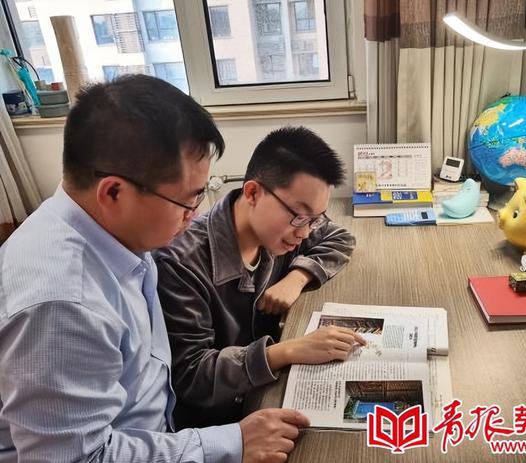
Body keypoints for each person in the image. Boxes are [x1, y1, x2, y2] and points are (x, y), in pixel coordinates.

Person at [0, 75, 308, 463]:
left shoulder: (115, 235)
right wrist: (231, 442)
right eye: (187, 201)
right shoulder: (62, 304)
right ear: (114, 192)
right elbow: (80, 458)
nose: (194, 214)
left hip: (162, 432)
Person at [154, 127, 365, 428]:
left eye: (314, 218)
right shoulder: (181, 264)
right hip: (220, 425)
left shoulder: (282, 228)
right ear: (253, 193)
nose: (305, 232)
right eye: (299, 216)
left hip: (266, 391)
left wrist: (298, 277)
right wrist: (287, 351)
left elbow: (339, 237)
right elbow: (192, 376)